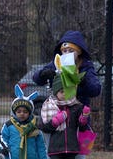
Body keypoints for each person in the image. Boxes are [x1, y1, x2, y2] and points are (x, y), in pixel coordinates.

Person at [33, 30, 101, 159]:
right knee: (52, 152)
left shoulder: (86, 67)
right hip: (56, 117)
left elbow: (95, 90)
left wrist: (83, 80)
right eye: (64, 50)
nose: (67, 54)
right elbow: (36, 78)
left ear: (79, 51)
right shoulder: (56, 63)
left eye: (71, 50)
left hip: (78, 118)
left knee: (79, 155)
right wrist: (43, 74)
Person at [39, 73, 89, 159]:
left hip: (71, 149)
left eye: (67, 91)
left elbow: (82, 129)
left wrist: (83, 119)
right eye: (62, 91)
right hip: (55, 149)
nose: (65, 94)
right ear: (56, 93)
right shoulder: (49, 106)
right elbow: (44, 128)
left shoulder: (76, 106)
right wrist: (55, 121)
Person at [0, 84, 47, 159]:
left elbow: (41, 146)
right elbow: (2, 138)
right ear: (14, 112)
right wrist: (5, 150)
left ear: (30, 113)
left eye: (25, 111)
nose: (22, 114)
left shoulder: (34, 127)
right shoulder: (9, 125)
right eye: (19, 111)